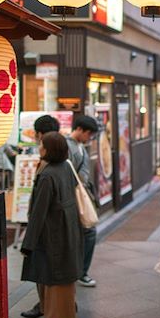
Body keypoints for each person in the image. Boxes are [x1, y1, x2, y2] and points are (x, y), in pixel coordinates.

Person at [20, 132, 84, 318]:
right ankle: (64, 317)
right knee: (64, 277)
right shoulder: (65, 167)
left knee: (54, 278)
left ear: (49, 149)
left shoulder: (47, 175)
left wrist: (27, 244)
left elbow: (38, 213)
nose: (39, 148)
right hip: (68, 229)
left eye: (42, 145)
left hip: (52, 233)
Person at [21, 114, 61, 318]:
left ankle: (49, 307)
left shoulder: (48, 166)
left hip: (47, 226)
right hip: (55, 226)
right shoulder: (61, 156)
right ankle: (52, 304)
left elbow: (41, 205)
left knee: (45, 267)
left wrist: (31, 233)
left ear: (40, 135)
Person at [66, 115, 99, 288]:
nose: (89, 138)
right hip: (74, 197)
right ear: (80, 129)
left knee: (87, 233)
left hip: (80, 195)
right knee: (88, 232)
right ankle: (80, 272)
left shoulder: (79, 146)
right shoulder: (68, 146)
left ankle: (79, 271)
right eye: (89, 134)